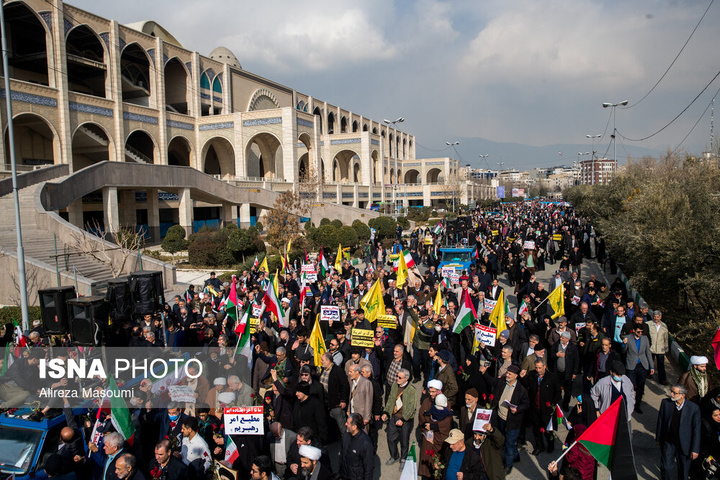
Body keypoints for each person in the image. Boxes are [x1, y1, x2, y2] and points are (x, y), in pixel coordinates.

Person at [656, 385, 701, 480]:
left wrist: (695, 449)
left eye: (674, 393)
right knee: (666, 467)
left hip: (685, 445)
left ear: (683, 395)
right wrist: (658, 438)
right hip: (669, 442)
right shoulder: (665, 403)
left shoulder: (693, 408)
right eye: (671, 391)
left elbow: (696, 429)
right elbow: (661, 421)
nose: (671, 394)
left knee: (683, 470)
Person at [491, 364, 529, 475]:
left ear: (516, 376)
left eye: (509, 374)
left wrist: (517, 409)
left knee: (509, 443)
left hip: (513, 421)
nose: (507, 375)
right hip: (501, 417)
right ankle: (515, 456)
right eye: (507, 373)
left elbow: (526, 404)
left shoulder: (521, 390)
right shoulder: (503, 383)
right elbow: (492, 383)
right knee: (506, 440)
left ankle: (508, 465)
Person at [526, 358, 562, 454]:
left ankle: (550, 444)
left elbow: (558, 392)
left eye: (540, 368)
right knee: (536, 429)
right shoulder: (532, 375)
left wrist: (552, 403)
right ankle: (539, 446)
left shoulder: (552, 377)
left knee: (547, 429)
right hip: (535, 408)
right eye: (536, 368)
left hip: (547, 409)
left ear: (545, 367)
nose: (538, 370)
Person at [623, 323, 654, 414]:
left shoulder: (645, 339)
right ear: (634, 330)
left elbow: (648, 352)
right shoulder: (628, 338)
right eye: (638, 332)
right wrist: (624, 344)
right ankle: (629, 404)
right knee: (630, 386)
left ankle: (638, 405)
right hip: (631, 366)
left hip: (642, 366)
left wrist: (651, 366)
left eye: (641, 332)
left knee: (641, 387)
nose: (640, 333)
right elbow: (623, 351)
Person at [340, 413, 374, 480]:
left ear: (354, 427)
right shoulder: (346, 435)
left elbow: (368, 467)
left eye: (348, 423)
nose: (345, 424)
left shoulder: (365, 443)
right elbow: (342, 455)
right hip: (345, 475)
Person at [648, 310, 670, 385]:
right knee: (650, 362)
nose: (656, 318)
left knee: (661, 364)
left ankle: (662, 379)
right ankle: (649, 374)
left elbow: (666, 338)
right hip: (651, 347)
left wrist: (666, 348)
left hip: (660, 348)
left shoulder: (664, 326)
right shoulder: (648, 324)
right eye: (654, 316)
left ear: (660, 317)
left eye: (657, 317)